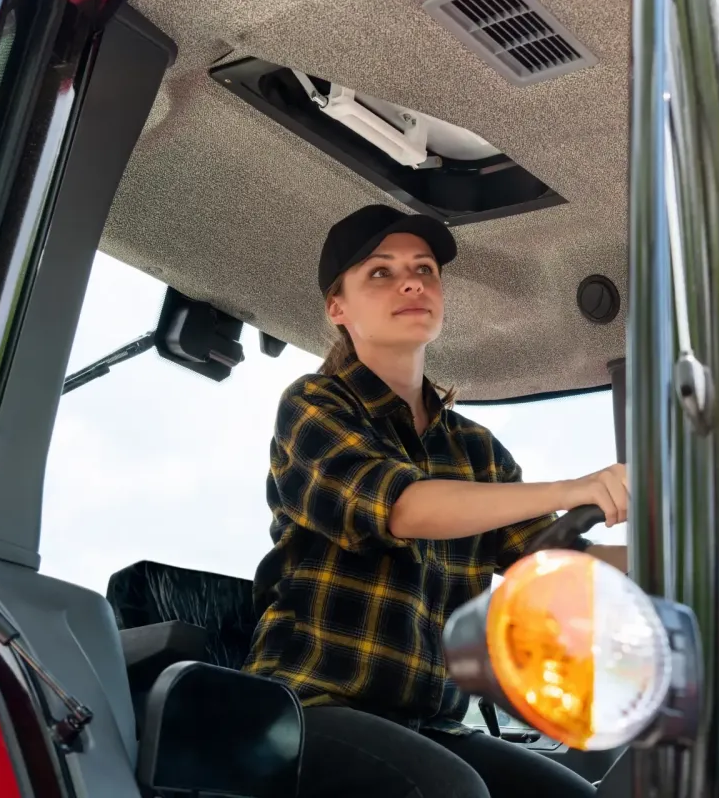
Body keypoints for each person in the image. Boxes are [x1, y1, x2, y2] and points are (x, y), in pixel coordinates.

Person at [244, 204, 630, 798]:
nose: (411, 282)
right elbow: (401, 508)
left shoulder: (475, 449)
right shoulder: (314, 407)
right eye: (381, 272)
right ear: (337, 307)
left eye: (425, 269)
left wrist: (695, 562)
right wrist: (573, 488)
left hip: (432, 724)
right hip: (308, 707)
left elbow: (555, 566)